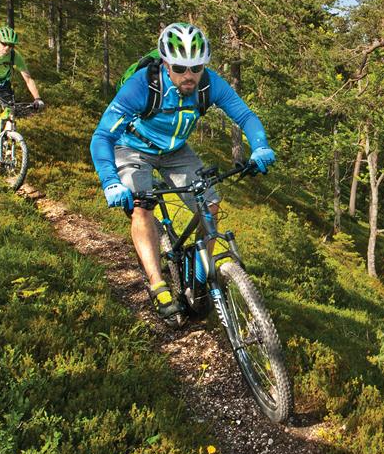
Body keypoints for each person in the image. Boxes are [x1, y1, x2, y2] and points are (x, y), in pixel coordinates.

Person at [89, 22, 276, 319]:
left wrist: (260, 146)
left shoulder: (209, 84)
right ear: (165, 63)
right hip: (133, 147)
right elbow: (102, 136)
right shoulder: (142, 86)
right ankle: (158, 286)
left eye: (196, 67)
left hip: (176, 151)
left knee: (211, 206)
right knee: (141, 207)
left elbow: (245, 115)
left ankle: (200, 279)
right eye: (179, 68)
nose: (188, 76)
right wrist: (111, 181)